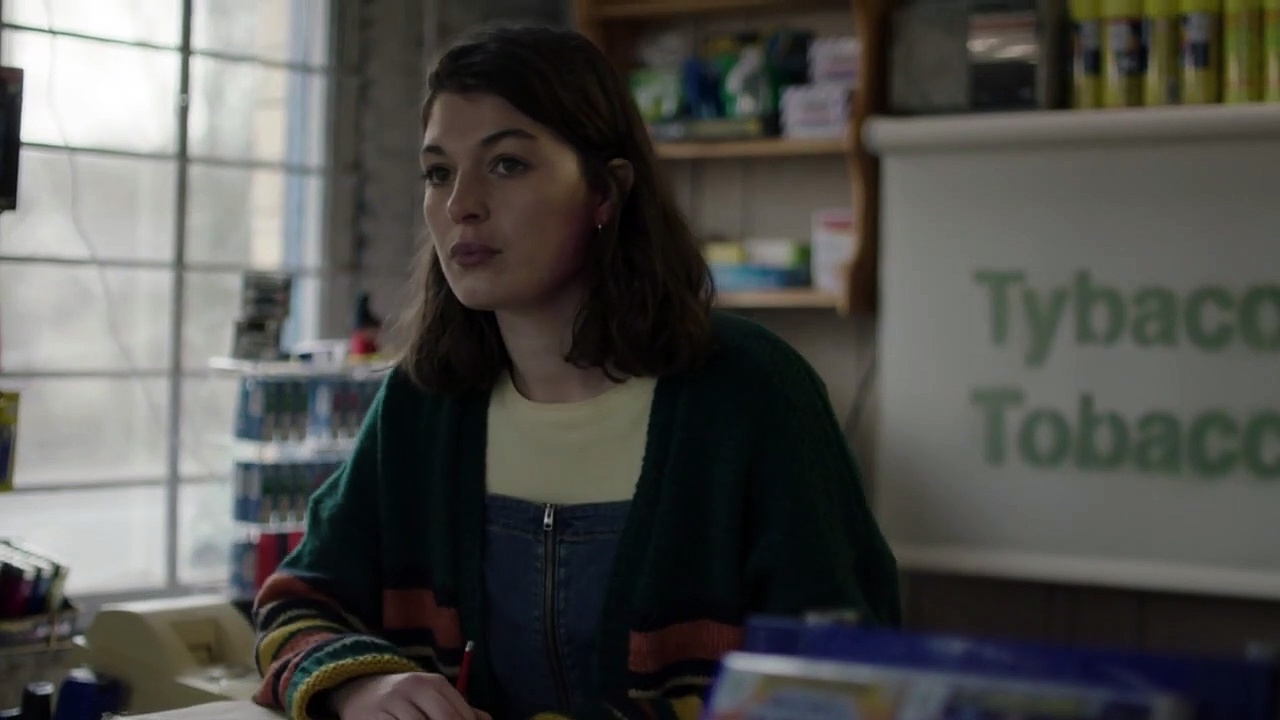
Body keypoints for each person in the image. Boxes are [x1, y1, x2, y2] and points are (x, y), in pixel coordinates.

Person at [251, 23, 901, 720]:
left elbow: (842, 676)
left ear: (606, 193)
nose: (461, 204)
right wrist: (361, 683)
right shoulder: (423, 405)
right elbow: (297, 604)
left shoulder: (749, 392)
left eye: (507, 165)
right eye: (438, 173)